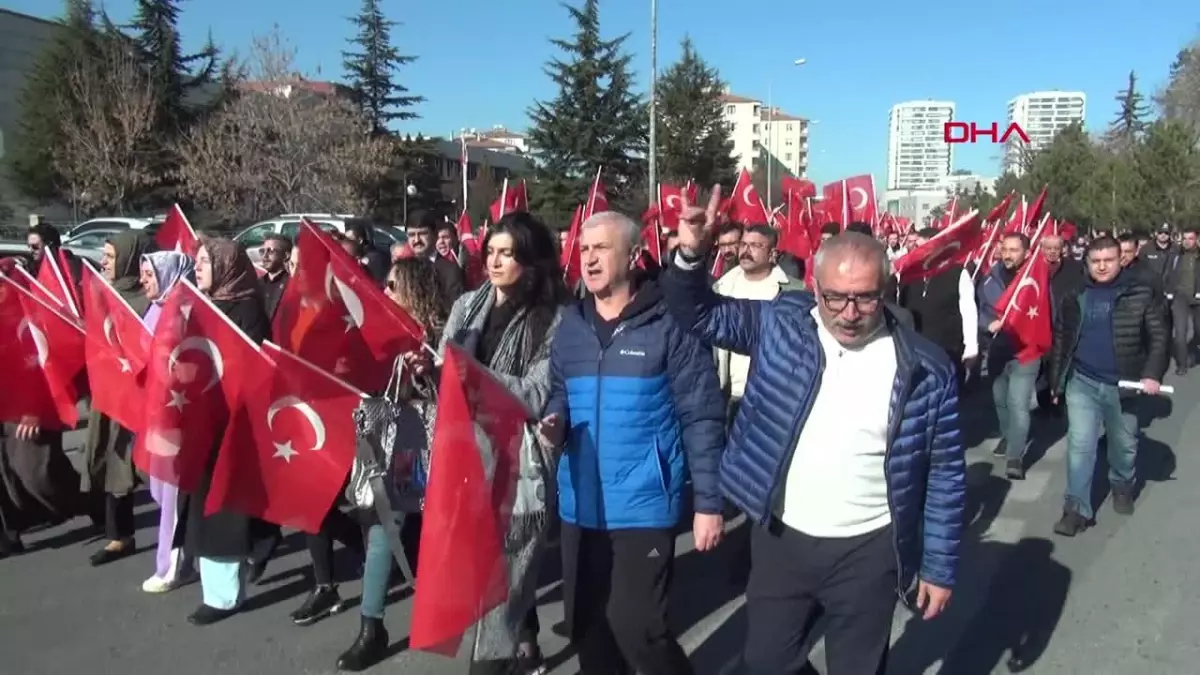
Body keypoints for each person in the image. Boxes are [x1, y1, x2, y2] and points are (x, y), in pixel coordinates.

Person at [660, 189, 965, 675]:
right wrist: (691, 254)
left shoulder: (926, 369)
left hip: (870, 550)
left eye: (864, 297)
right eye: (834, 297)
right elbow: (696, 313)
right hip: (784, 537)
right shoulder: (782, 323)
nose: (848, 312)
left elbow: (947, 473)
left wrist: (939, 566)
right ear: (814, 287)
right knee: (765, 663)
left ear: (886, 290)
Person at [540, 211, 726, 675]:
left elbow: (701, 414)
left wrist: (708, 502)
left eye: (601, 248)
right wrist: (554, 422)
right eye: (583, 249)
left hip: (643, 505)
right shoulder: (570, 326)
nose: (589, 258)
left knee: (638, 629)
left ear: (632, 255)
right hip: (581, 506)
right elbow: (560, 393)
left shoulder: (670, 324)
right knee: (589, 632)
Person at [412, 211, 568, 674]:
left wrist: (468, 373)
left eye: (508, 254)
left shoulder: (554, 319)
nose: (495, 262)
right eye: (491, 253)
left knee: (502, 585)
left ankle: (499, 656)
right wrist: (428, 372)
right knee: (482, 576)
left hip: (517, 466)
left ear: (531, 261)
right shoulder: (466, 307)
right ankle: (526, 640)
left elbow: (536, 393)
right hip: (463, 457)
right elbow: (447, 380)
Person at [335, 258, 448, 672]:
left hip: (420, 441)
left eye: (393, 285)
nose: (385, 291)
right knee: (384, 525)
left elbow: (446, 391)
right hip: (381, 440)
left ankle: (380, 623)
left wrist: (425, 373)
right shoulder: (376, 334)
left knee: (400, 526)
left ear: (414, 291)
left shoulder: (435, 336)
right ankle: (375, 624)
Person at [179, 237, 276, 626]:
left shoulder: (248, 309)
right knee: (205, 504)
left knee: (223, 507)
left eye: (205, 261)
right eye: (197, 261)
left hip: (235, 424)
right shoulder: (201, 306)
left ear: (225, 266)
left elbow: (252, 368)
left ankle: (223, 597)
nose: (198, 267)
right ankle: (262, 538)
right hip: (204, 419)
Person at [1048, 237, 1168, 535]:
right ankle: (1075, 509)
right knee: (1080, 445)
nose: (1102, 266)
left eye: (1108, 260)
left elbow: (1159, 336)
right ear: (1087, 262)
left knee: (1124, 445)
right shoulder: (1075, 293)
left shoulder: (1141, 292)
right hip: (1082, 382)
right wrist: (1056, 380)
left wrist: (1152, 374)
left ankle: (1122, 483)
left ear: (1121, 260)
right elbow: (1062, 338)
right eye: (1095, 261)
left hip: (1124, 385)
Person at [81, 230, 157, 566]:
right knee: (113, 462)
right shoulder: (101, 294)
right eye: (105, 256)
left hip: (140, 399)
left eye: (111, 257)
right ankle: (119, 536)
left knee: (153, 469)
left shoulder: (148, 302)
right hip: (109, 395)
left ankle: (187, 537)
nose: (104, 263)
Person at [138, 251, 198, 592]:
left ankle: (171, 567)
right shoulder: (157, 308)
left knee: (173, 495)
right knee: (160, 489)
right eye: (143, 273)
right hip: (154, 415)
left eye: (150, 274)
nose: (144, 280)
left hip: (177, 416)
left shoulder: (185, 309)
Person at [714, 224, 805, 412]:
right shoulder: (721, 288)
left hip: (773, 396)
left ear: (772, 253)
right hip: (731, 397)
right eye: (744, 244)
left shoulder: (793, 292)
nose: (746, 251)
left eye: (755, 246)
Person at [977, 233, 1037, 478]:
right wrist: (988, 323)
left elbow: (1046, 313)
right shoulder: (990, 280)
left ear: (1026, 253)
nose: (1008, 254)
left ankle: (1015, 457)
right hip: (997, 350)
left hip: (1026, 352)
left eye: (1014, 250)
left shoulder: (1035, 279)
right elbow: (978, 309)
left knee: (1018, 404)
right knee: (1000, 400)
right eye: (1005, 249)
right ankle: (1008, 434)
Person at [406, 210, 465, 305]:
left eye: (422, 234)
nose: (416, 240)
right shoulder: (401, 269)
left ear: (435, 234)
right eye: (412, 235)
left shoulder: (450, 272)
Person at [258, 235, 291, 319]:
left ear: (286, 256)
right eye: (262, 251)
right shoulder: (257, 284)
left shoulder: (291, 285)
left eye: (271, 251)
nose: (265, 256)